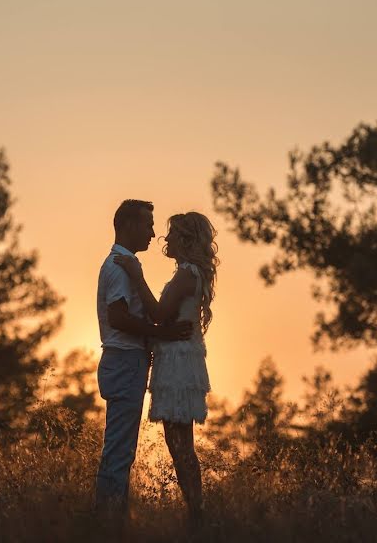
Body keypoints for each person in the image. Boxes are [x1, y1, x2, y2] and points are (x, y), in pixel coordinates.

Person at [113, 212, 218, 523]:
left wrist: (136, 275)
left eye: (172, 235)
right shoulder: (191, 272)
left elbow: (158, 313)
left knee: (180, 443)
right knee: (179, 442)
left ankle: (197, 514)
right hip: (179, 357)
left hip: (178, 362)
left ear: (185, 240)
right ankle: (196, 513)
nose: (165, 239)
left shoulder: (187, 273)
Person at [94, 199, 193, 522]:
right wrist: (163, 334)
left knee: (121, 450)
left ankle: (112, 521)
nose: (154, 233)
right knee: (119, 452)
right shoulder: (121, 267)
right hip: (124, 362)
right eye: (148, 225)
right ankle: (108, 524)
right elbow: (119, 318)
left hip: (126, 362)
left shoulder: (124, 264)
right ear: (128, 226)